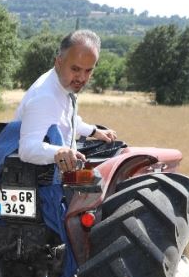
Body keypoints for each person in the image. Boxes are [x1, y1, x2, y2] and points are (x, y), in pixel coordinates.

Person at [14, 29, 118, 171]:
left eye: (88, 70)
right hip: (43, 182)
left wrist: (93, 131)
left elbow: (66, 119)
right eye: (75, 69)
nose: (81, 78)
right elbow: (26, 149)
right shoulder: (45, 97)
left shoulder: (65, 85)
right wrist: (57, 152)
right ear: (58, 62)